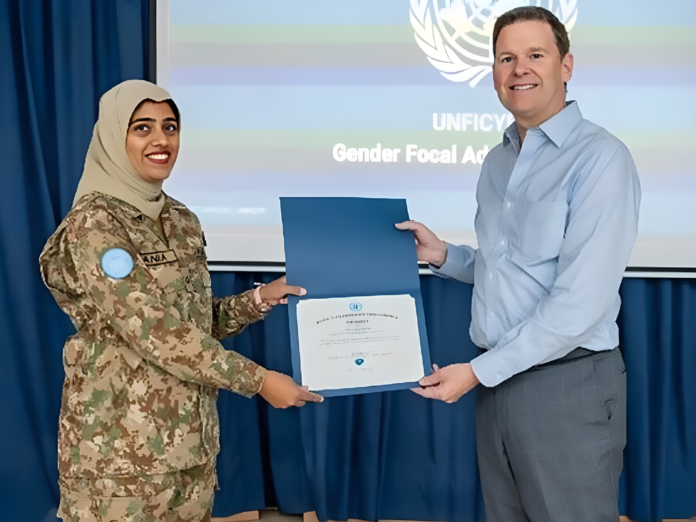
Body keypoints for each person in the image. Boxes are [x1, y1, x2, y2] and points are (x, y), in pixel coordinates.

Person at [39, 80, 322, 522]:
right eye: (142, 128)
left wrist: (260, 298)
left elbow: (191, 323)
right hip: (118, 464)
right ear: (115, 138)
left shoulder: (180, 219)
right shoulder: (95, 223)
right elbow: (154, 330)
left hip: (188, 452)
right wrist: (259, 380)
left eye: (170, 127)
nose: (161, 140)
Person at [398, 7, 640, 522]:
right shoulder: (497, 160)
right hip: (500, 383)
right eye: (506, 58)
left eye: (535, 55)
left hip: (566, 385)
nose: (519, 69)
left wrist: (478, 374)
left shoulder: (601, 158)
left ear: (566, 65)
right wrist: (444, 256)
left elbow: (579, 303)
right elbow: (509, 265)